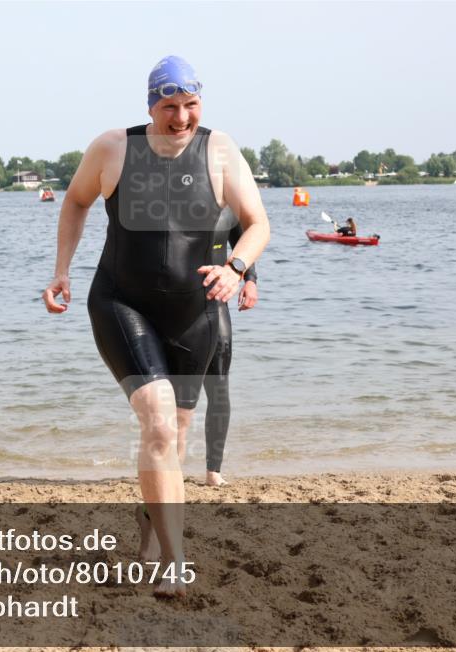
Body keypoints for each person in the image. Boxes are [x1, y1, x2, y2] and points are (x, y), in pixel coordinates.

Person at [42, 55, 270, 596]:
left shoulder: (220, 149)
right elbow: (75, 202)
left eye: (191, 105)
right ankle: (175, 561)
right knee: (160, 424)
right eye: (170, 107)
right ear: (150, 105)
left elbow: (259, 223)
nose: (182, 118)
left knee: (176, 434)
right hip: (123, 304)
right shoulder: (113, 148)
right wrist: (61, 272)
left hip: (196, 312)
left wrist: (237, 268)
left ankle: (150, 528)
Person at [204, 215, 259, 487]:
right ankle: (166, 466)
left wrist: (250, 279)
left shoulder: (226, 204)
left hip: (215, 301)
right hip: (171, 303)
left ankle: (213, 471)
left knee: (219, 385)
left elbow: (244, 242)